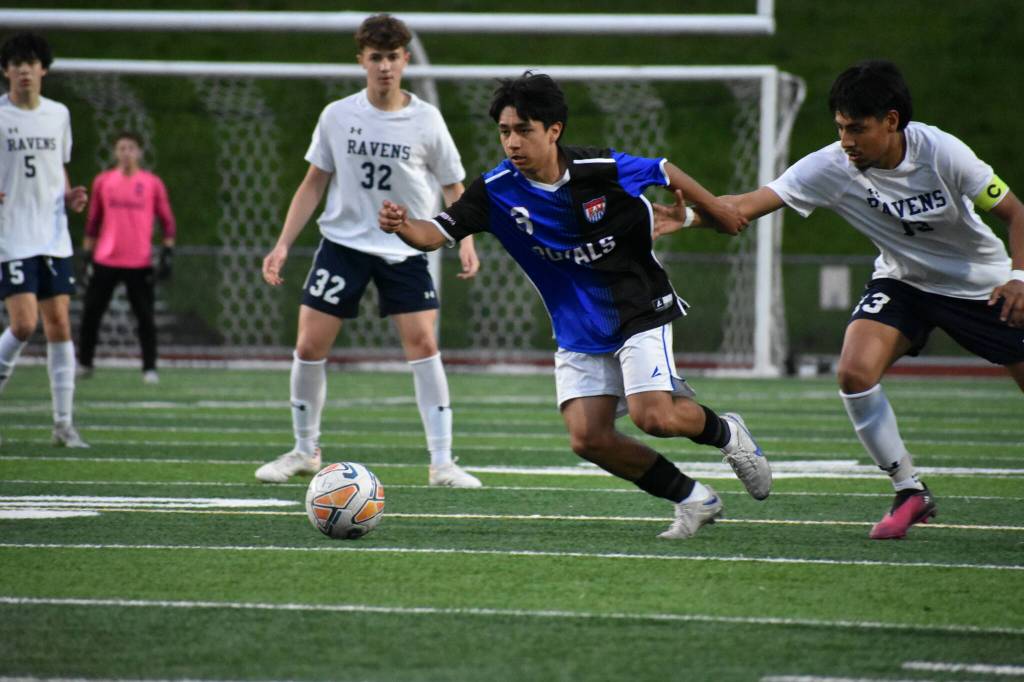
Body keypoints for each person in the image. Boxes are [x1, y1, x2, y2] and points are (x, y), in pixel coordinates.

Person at [378, 71, 772, 539]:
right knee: (588, 438)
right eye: (504, 132)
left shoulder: (597, 168)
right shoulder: (495, 190)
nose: (512, 142)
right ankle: (693, 499)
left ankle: (726, 433)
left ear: (554, 130)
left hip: (637, 305)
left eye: (524, 130)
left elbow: (663, 169)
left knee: (655, 417)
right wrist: (404, 225)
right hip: (576, 328)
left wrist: (719, 209)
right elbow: (433, 233)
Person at [655, 59, 1024, 539]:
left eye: (857, 129)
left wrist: (1019, 276)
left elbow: (1016, 213)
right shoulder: (832, 165)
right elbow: (745, 207)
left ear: (892, 122)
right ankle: (909, 489)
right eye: (840, 128)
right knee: (853, 372)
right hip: (903, 282)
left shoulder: (943, 153)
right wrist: (686, 220)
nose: (846, 140)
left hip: (980, 284)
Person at [255, 14, 483, 487]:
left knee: (423, 345)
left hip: (405, 247)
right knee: (309, 345)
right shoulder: (337, 115)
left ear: (404, 61)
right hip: (343, 244)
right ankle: (303, 450)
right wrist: (281, 245)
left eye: (393, 57)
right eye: (376, 57)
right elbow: (313, 183)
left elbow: (453, 185)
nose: (385, 67)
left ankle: (442, 463)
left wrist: (464, 240)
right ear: (361, 60)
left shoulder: (427, 119)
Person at [0, 32, 89, 448]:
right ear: (6, 71)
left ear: (43, 70)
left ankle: (63, 424)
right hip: (11, 234)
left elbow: (59, 167)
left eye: (30, 63)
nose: (23, 70)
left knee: (58, 325)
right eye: (15, 63)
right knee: (23, 324)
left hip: (52, 235)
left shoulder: (59, 115)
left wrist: (70, 195)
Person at [78, 131, 176, 384]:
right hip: (106, 259)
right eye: (121, 148)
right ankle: (85, 362)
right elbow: (93, 220)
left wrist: (167, 252)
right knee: (91, 312)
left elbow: (167, 221)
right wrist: (87, 253)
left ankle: (149, 368)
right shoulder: (103, 181)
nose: (126, 153)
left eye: (131, 148)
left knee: (145, 316)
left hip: (139, 261)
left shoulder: (152, 183)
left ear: (139, 152)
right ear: (115, 152)